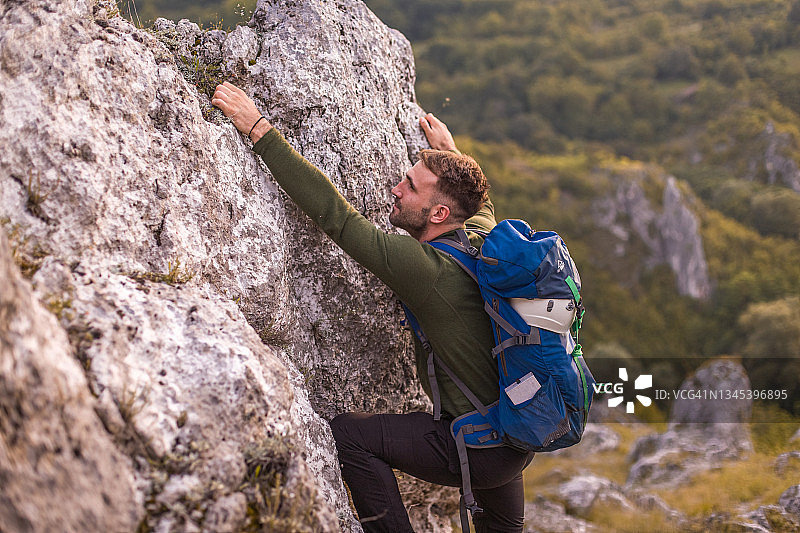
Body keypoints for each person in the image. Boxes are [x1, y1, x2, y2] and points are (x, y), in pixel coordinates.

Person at [212, 82, 533, 533]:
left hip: (477, 446)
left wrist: (259, 130)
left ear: (439, 215)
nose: (397, 188)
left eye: (411, 186)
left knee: (351, 436)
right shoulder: (481, 237)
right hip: (515, 436)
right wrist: (451, 154)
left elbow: (338, 218)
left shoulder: (423, 268)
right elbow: (482, 204)